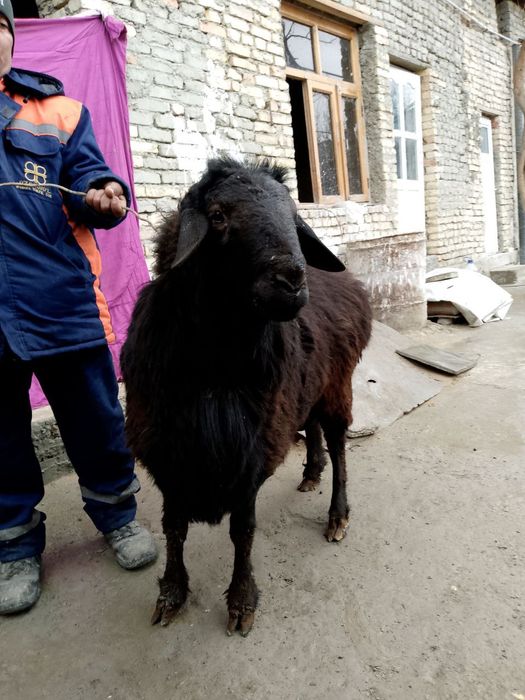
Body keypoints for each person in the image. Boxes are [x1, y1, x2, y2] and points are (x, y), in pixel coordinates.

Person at [0, 0, 157, 615]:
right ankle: (14, 548)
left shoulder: (58, 110)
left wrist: (105, 193)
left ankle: (117, 515)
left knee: (95, 420)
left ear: (11, 37)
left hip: (61, 301)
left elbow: (92, 176)